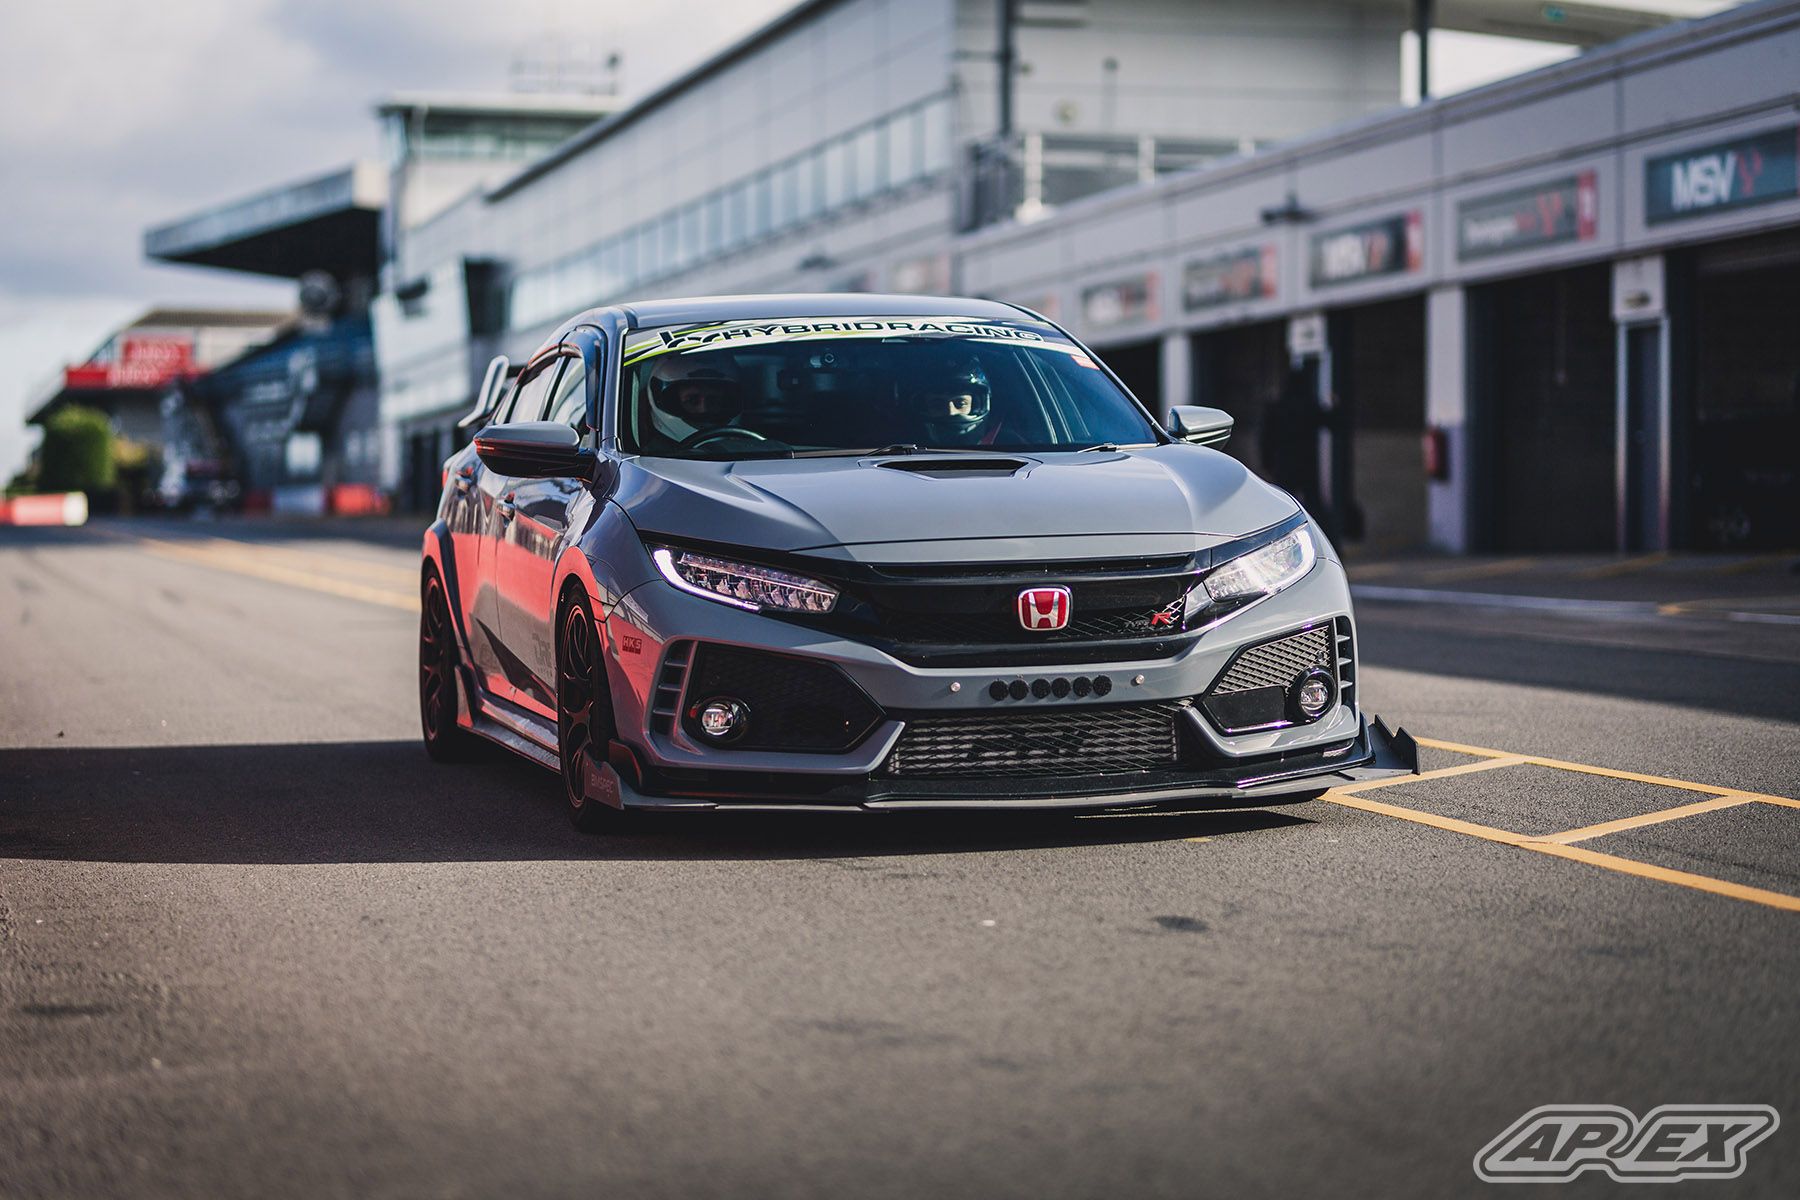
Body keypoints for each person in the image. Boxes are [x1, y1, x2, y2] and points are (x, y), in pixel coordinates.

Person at [647, 353, 743, 445]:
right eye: (692, 401)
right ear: (673, 403)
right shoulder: (649, 455)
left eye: (713, 401)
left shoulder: (745, 447)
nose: (703, 409)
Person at [902, 356, 994, 446]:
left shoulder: (1002, 444)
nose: (951, 412)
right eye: (938, 405)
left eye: (961, 404)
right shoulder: (901, 447)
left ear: (976, 405)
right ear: (924, 406)